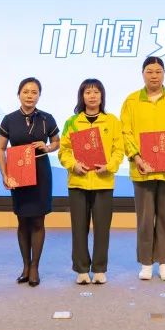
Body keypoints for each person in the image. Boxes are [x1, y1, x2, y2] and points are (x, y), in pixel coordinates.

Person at [120, 56, 165, 281]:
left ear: (164, 74)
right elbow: (125, 132)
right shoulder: (131, 101)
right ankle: (146, 262)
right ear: (142, 74)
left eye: (158, 71)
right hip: (142, 169)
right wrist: (137, 157)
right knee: (145, 218)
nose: (154, 76)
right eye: (149, 71)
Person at [0, 77, 59, 287]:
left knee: (38, 221)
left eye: (34, 92)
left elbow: (57, 142)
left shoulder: (47, 118)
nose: (29, 96)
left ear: (39, 95)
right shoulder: (9, 119)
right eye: (25, 91)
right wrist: (4, 174)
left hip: (41, 172)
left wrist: (47, 147)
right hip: (18, 172)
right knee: (23, 221)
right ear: (19, 94)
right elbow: (1, 149)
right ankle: (25, 265)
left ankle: (34, 267)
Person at [59, 79, 123, 285]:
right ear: (82, 96)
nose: (92, 96)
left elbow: (118, 150)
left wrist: (109, 166)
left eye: (96, 92)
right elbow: (64, 151)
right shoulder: (72, 122)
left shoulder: (112, 121)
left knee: (102, 229)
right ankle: (81, 269)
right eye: (88, 92)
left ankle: (100, 269)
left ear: (102, 96)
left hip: (103, 182)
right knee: (79, 228)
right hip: (78, 182)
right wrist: (73, 165)